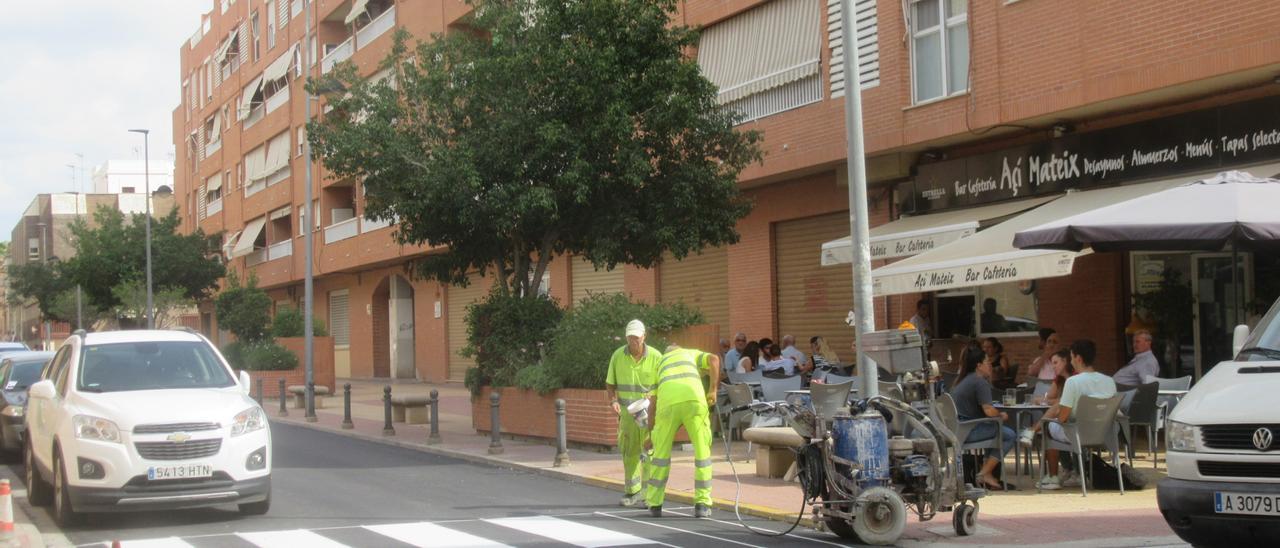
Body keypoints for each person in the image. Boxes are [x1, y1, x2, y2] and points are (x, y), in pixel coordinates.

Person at [645, 344, 720, 518]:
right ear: (678, 349)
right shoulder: (690, 353)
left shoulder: (659, 364)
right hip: (694, 400)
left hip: (667, 405)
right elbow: (714, 359)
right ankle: (702, 505)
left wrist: (651, 434)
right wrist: (713, 390)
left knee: (660, 456)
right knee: (702, 454)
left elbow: (653, 402)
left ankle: (655, 504)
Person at [1039, 340, 1117, 490]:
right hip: (1105, 433)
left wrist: (1052, 419)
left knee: (1048, 426)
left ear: (1078, 358)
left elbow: (1062, 417)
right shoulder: (1109, 381)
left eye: (1072, 357)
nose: (1071, 361)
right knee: (1064, 426)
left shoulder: (1073, 382)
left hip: (1079, 433)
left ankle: (1054, 477)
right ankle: (1077, 472)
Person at [605, 319, 663, 507]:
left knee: (649, 452)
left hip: (650, 413)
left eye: (636, 338)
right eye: (630, 338)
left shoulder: (656, 356)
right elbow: (610, 383)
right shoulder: (617, 356)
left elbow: (664, 384)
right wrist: (613, 400)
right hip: (628, 415)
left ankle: (649, 494)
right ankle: (632, 491)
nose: (633, 342)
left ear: (644, 336)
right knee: (629, 451)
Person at [949, 343, 1017, 491]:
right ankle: (985, 473)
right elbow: (988, 410)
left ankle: (987, 473)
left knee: (995, 428)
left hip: (959, 429)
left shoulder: (963, 379)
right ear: (979, 365)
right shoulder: (979, 382)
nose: (990, 365)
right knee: (1009, 435)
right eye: (987, 362)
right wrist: (1001, 415)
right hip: (969, 431)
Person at [1018, 349, 1075, 488]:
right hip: (1069, 422)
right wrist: (1049, 400)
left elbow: (1059, 402)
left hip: (1074, 424)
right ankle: (1069, 470)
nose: (1053, 366)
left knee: (1049, 427)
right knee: (1052, 425)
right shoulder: (1060, 379)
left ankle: (1032, 430)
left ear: (1066, 361)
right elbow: (1049, 398)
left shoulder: (1074, 379)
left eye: (1056, 363)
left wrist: (1049, 401)